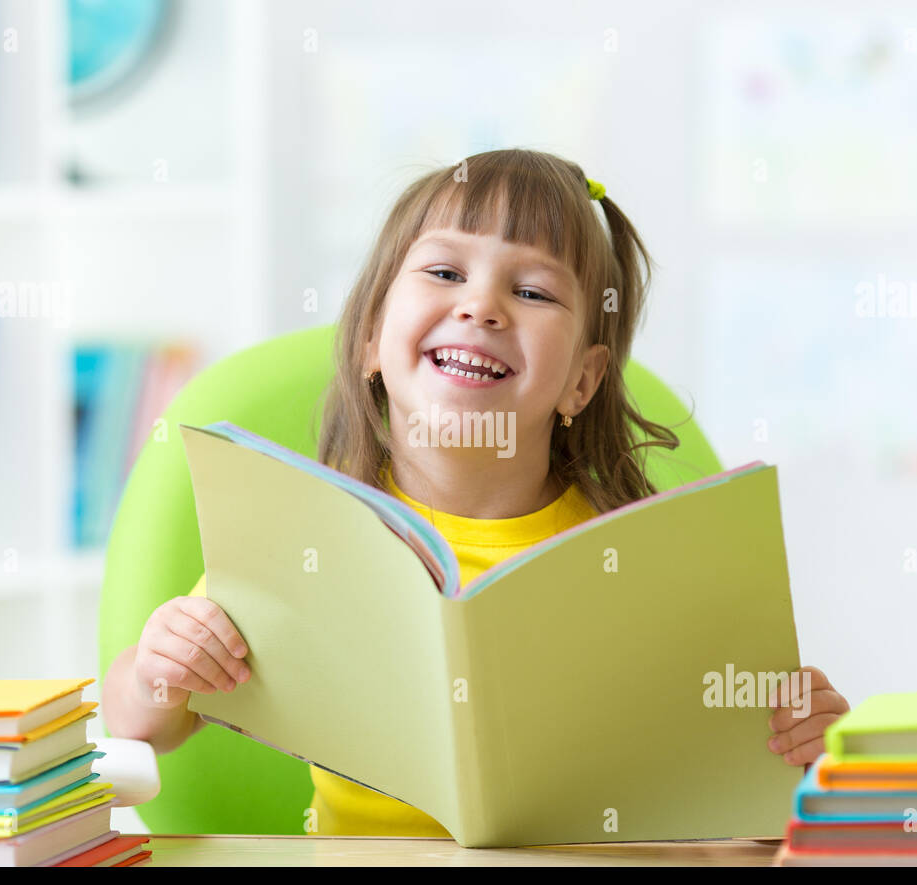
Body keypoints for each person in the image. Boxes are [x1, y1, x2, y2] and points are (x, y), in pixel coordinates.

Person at [102, 147, 850, 836]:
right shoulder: (301, 538)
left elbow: (731, 827)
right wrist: (157, 669)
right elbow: (137, 724)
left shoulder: (639, 562)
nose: (482, 306)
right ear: (370, 337)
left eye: (530, 291)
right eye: (445, 273)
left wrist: (795, 753)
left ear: (582, 382)